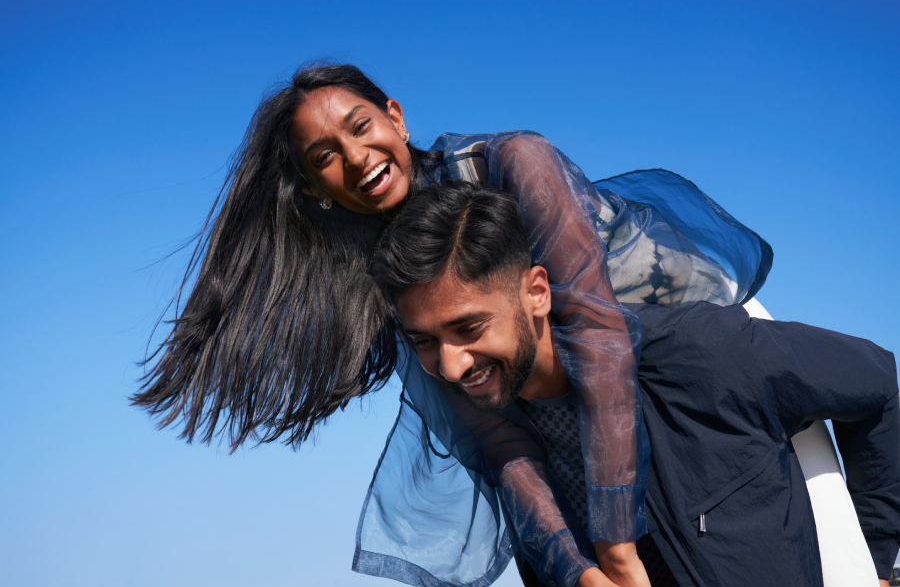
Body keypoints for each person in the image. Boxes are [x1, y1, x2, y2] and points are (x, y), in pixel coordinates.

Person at [131, 63, 860, 585]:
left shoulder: (513, 161)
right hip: (548, 389)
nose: (357, 160)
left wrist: (616, 552)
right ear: (314, 187)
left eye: (360, 128)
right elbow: (493, 435)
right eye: (325, 157)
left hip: (692, 352)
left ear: (395, 115)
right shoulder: (391, 276)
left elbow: (600, 335)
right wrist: (581, 571)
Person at [371, 181, 900, 587]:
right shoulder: (515, 464)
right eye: (424, 341)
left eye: (469, 328)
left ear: (536, 291)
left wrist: (871, 563)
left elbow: (879, 383)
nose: (452, 365)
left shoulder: (700, 355)